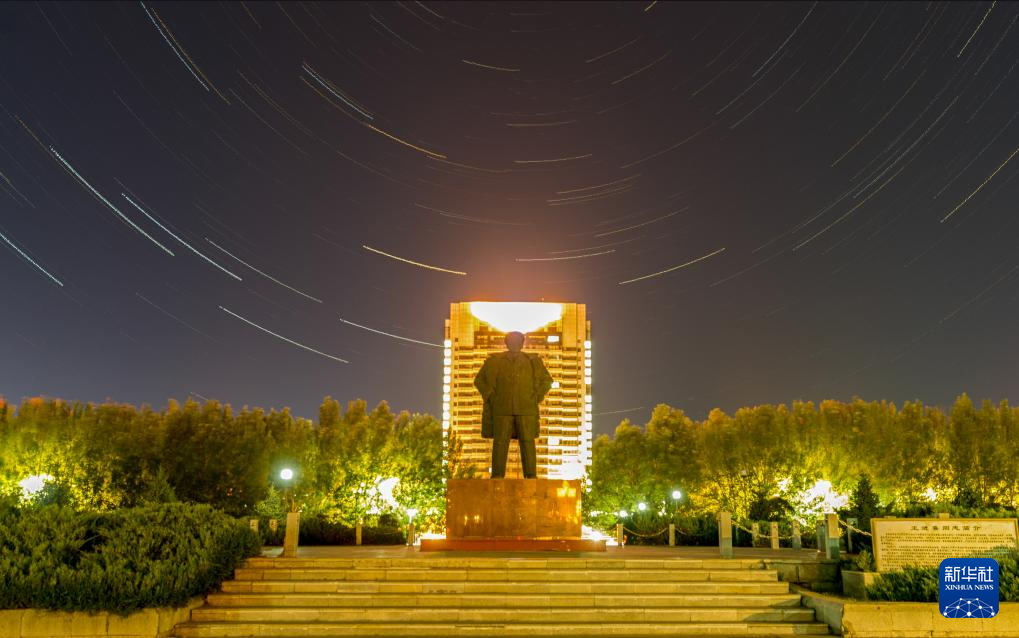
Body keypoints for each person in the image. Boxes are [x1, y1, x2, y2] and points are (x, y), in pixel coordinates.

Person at [473, 331, 554, 479]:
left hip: (526, 408)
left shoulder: (532, 361)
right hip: (501, 408)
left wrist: (536, 397)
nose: (515, 344)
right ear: (507, 343)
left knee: (528, 443)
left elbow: (547, 381)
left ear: (522, 343)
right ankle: (497, 477)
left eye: (518, 341)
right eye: (512, 341)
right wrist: (491, 396)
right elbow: (479, 380)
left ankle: (531, 477)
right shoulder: (494, 361)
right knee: (500, 443)